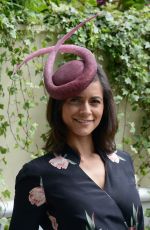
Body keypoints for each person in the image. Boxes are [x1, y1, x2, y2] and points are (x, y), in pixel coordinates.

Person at [9, 15, 144, 230]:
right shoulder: (37, 175)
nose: (86, 111)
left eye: (95, 101)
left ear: (104, 107)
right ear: (59, 106)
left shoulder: (123, 162)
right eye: (75, 100)